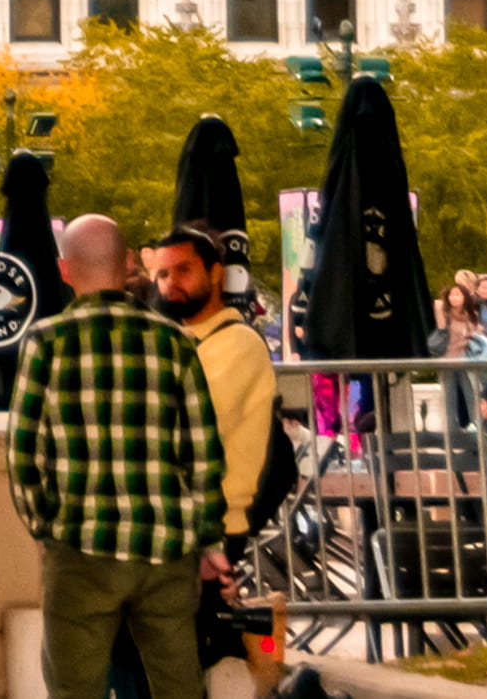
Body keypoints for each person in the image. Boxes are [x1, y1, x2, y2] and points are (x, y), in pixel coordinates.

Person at [6, 217, 229, 699]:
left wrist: (45, 526)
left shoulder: (46, 343)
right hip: (166, 547)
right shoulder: (175, 343)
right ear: (131, 263)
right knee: (179, 687)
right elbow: (203, 454)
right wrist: (209, 540)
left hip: (80, 546)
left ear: (64, 271)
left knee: (74, 688)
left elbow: (25, 453)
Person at [147, 225, 277, 699]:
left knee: (188, 661)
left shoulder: (238, 344)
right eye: (161, 274)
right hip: (168, 524)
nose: (169, 283)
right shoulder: (170, 339)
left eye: (182, 270)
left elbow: (187, 425)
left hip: (215, 521)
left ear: (215, 273)